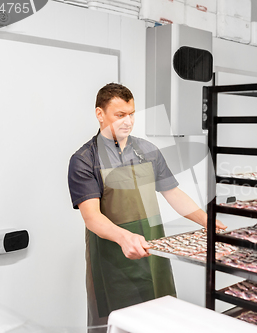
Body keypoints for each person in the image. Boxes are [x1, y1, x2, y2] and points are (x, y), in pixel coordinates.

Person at [67, 83, 226, 326]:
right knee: (118, 324)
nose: (128, 121)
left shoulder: (148, 151)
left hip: (153, 254)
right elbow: (92, 217)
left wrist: (208, 221)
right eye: (120, 115)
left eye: (131, 114)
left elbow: (173, 193)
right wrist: (124, 238)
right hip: (113, 260)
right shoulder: (84, 160)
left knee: (160, 321)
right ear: (100, 114)